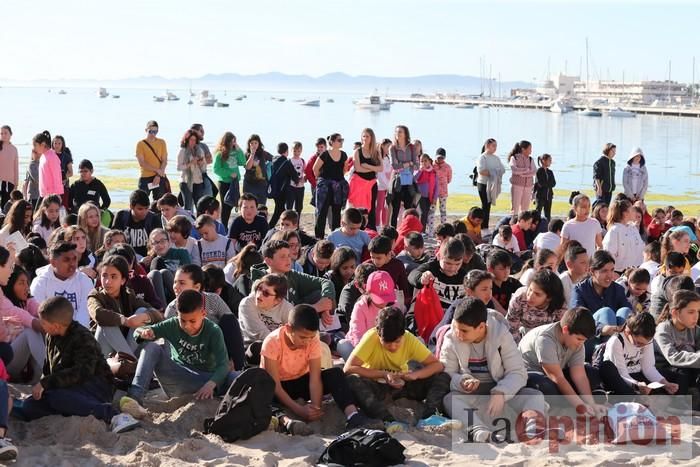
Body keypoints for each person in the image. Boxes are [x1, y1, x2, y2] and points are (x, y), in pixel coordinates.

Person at [13, 296, 142, 433]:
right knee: (29, 406)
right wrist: (44, 386)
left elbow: (82, 372)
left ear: (56, 325)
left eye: (43, 323)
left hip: (95, 386)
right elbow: (48, 368)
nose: (41, 325)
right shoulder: (51, 336)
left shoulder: (82, 337)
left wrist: (46, 383)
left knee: (57, 397)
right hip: (66, 387)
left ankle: (113, 415)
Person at [440, 297, 547, 443]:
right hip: (472, 396)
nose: (459, 334)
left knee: (535, 396)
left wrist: (500, 393)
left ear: (481, 327)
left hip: (501, 391)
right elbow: (446, 373)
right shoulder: (451, 337)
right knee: (449, 399)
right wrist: (461, 381)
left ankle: (532, 431)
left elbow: (518, 372)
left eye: (464, 331)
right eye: (457, 328)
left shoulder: (501, 334)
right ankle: (478, 431)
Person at [261, 304, 377, 430]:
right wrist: (300, 410)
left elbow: (315, 378)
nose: (307, 342)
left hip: (302, 380)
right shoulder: (272, 342)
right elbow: (276, 386)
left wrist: (315, 408)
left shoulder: (313, 339)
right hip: (278, 386)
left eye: (311, 337)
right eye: (302, 337)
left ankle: (352, 415)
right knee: (261, 392)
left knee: (336, 374)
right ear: (288, 329)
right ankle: (287, 421)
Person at [343, 306, 452, 431]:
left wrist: (415, 375)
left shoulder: (409, 338)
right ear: (378, 334)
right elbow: (348, 368)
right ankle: (387, 420)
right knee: (352, 380)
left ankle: (430, 416)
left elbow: (437, 365)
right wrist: (383, 374)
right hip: (377, 385)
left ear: (403, 334)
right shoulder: (371, 337)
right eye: (387, 343)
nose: (393, 347)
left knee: (443, 377)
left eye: (397, 341)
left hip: (403, 384)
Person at [126, 290, 238, 404]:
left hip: (205, 381)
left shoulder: (213, 331)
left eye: (192, 321)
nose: (187, 326)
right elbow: (139, 331)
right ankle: (135, 395)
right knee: (152, 348)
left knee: (236, 377)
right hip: (178, 378)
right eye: (183, 320)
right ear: (177, 315)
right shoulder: (172, 324)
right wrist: (143, 333)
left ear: (203, 314)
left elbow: (223, 365)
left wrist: (210, 384)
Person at [519, 307, 607, 416]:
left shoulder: (577, 342)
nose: (581, 343)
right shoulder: (545, 340)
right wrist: (580, 405)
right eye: (579, 339)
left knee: (591, 373)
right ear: (565, 330)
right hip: (532, 377)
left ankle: (573, 402)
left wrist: (591, 403)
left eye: (584, 340)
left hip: (557, 373)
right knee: (546, 387)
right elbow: (556, 377)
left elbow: (579, 375)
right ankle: (568, 402)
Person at [164, 265, 244, 371]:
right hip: (192, 356)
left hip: (219, 351)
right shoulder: (172, 309)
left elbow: (231, 327)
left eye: (182, 283)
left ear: (197, 287)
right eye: (175, 282)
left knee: (229, 319)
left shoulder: (213, 299)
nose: (175, 286)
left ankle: (237, 368)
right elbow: (169, 347)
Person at [88, 255, 163, 357]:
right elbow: (98, 314)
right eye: (104, 275)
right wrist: (125, 321)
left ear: (123, 280)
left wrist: (145, 316)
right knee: (107, 322)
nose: (107, 281)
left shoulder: (128, 295)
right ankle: (132, 362)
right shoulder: (95, 295)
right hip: (103, 350)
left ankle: (128, 362)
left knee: (141, 311)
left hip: (125, 346)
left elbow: (157, 314)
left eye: (113, 276)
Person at [251, 240, 336, 320]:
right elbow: (278, 311)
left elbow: (326, 282)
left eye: (289, 255)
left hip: (296, 319)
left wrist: (325, 306)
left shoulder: (291, 274)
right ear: (269, 261)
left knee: (321, 294)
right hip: (273, 325)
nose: (288, 260)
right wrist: (316, 307)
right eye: (283, 257)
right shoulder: (260, 282)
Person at [598, 312, 678, 396]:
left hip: (638, 376)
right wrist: (637, 385)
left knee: (677, 376)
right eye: (638, 343)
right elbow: (622, 374)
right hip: (623, 379)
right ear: (628, 332)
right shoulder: (616, 342)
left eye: (645, 344)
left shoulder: (647, 341)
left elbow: (648, 368)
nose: (641, 346)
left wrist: (665, 384)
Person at [572, 250, 633, 358]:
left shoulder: (617, 289)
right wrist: (602, 328)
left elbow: (628, 312)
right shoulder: (580, 290)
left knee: (625, 311)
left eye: (612, 270)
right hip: (589, 339)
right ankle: (606, 358)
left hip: (616, 337)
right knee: (606, 312)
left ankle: (626, 356)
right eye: (604, 271)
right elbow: (578, 319)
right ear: (592, 271)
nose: (609, 275)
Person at [0, 255, 45, 383]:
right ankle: (46, 373)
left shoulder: (27, 300)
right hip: (5, 360)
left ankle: (39, 376)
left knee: (43, 328)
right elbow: (27, 319)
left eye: (27, 283)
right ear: (10, 284)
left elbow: (41, 310)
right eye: (21, 283)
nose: (27, 287)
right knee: (31, 330)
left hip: (20, 362)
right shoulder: (4, 303)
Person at [30, 242, 93, 327]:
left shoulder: (84, 280)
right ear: (53, 262)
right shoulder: (40, 282)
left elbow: (84, 313)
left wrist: (75, 333)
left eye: (74, 259)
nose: (72, 264)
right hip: (51, 332)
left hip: (79, 333)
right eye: (66, 260)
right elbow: (39, 313)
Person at [337, 271, 396, 361]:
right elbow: (358, 335)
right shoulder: (360, 307)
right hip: (363, 348)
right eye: (380, 298)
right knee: (343, 345)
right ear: (368, 292)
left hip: (386, 347)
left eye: (386, 297)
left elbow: (398, 332)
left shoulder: (394, 306)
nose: (384, 302)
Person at [238, 273, 294, 364]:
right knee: (258, 347)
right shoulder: (247, 304)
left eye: (266, 293)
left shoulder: (286, 308)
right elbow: (259, 334)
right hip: (252, 349)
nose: (259, 295)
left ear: (278, 300)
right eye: (259, 289)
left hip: (279, 348)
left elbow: (295, 331)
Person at [653, 290, 700, 396]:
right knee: (682, 372)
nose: (696, 316)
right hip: (667, 371)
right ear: (675, 312)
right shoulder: (664, 329)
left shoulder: (695, 329)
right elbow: (673, 358)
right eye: (691, 312)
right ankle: (679, 404)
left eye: (698, 311)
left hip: (688, 369)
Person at [506, 269, 567, 343]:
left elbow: (560, 330)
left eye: (537, 294)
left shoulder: (559, 305)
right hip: (521, 333)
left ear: (549, 298)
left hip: (546, 337)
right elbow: (512, 328)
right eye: (530, 289)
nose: (530, 296)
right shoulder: (519, 298)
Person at [408, 238, 467, 313]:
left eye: (457, 264)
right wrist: (422, 278)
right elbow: (412, 275)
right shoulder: (431, 267)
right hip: (424, 316)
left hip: (449, 319)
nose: (452, 268)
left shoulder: (464, 276)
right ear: (439, 256)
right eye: (448, 263)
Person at [313, 133, 349, 238]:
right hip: (325, 188)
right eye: (339, 140)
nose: (341, 141)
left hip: (337, 187)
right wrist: (322, 181)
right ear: (332, 142)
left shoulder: (343, 155)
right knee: (322, 212)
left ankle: (335, 235)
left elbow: (345, 169)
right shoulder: (324, 154)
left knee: (336, 213)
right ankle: (319, 237)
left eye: (342, 140)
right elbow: (315, 169)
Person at [347, 129, 381, 231]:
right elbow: (358, 168)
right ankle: (352, 227)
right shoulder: (357, 151)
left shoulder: (376, 152)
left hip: (371, 183)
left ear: (372, 138)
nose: (365, 138)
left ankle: (371, 230)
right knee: (355, 208)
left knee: (371, 208)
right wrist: (372, 168)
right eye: (363, 136)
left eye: (367, 136)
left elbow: (381, 168)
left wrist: (367, 166)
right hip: (358, 182)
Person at [365, 235, 410, 310]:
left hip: (391, 304)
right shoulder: (367, 266)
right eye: (372, 257)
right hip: (371, 305)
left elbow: (404, 288)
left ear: (388, 254)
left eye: (378, 258)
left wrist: (405, 306)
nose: (375, 261)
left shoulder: (397, 265)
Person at [112, 190, 159, 257]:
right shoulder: (121, 216)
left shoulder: (153, 218)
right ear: (131, 206)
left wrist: (150, 257)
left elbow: (158, 243)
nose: (144, 212)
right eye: (140, 209)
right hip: (125, 256)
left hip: (148, 258)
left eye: (146, 208)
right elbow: (114, 242)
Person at [212, 131, 245, 227]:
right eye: (231, 141)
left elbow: (243, 162)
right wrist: (229, 173)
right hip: (224, 182)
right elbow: (216, 169)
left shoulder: (235, 152)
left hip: (234, 183)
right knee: (226, 205)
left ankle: (228, 225)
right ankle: (224, 226)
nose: (233, 143)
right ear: (226, 142)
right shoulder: (219, 153)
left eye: (234, 141)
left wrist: (239, 150)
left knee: (235, 203)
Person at [389, 126, 419, 227]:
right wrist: (407, 164)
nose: (398, 134)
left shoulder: (412, 147)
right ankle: (392, 231)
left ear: (406, 134)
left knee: (409, 209)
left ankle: (408, 230)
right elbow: (394, 165)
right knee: (395, 209)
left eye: (400, 132)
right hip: (398, 181)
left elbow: (416, 166)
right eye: (396, 132)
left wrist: (401, 164)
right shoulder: (392, 148)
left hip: (409, 181)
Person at [602, 199, 644, 272]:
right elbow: (608, 254)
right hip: (620, 272)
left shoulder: (633, 228)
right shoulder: (614, 231)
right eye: (632, 210)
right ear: (625, 213)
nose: (635, 212)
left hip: (636, 271)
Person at [268, 143, 301, 229]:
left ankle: (278, 227)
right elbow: (295, 177)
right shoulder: (286, 162)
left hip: (273, 189)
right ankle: (270, 227)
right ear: (286, 151)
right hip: (282, 190)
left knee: (280, 209)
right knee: (279, 210)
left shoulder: (273, 160)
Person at [560, 193, 603, 259]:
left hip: (590, 264)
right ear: (575, 208)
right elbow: (563, 248)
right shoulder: (568, 225)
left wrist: (596, 260)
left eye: (589, 206)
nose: (587, 209)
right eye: (583, 207)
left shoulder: (595, 223)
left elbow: (599, 245)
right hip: (575, 263)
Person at [476, 138, 505, 230]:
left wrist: (496, 173)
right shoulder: (482, 157)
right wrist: (493, 172)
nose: (495, 148)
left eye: (496, 146)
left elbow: (502, 169)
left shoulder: (496, 158)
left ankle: (485, 226)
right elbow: (481, 171)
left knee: (488, 205)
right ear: (487, 146)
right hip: (483, 184)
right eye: (493, 146)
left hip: (493, 184)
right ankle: (482, 226)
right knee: (485, 204)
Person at [135, 120, 168, 201]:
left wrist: (158, 175)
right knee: (141, 201)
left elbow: (164, 160)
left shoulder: (162, 142)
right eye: (150, 131)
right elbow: (142, 163)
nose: (153, 134)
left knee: (159, 203)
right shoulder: (140, 144)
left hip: (159, 177)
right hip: (146, 177)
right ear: (146, 130)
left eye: (155, 132)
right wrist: (157, 170)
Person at [177, 129, 206, 212]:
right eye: (191, 139)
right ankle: (187, 223)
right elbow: (179, 167)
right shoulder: (182, 151)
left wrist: (200, 163)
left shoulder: (199, 150)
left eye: (195, 140)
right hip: (186, 181)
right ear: (186, 140)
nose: (193, 142)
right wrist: (190, 163)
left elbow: (204, 167)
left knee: (200, 205)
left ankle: (199, 223)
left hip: (198, 181)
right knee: (188, 206)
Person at [487, 250, 522, 316]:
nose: (506, 272)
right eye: (501, 269)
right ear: (490, 269)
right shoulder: (484, 285)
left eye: (508, 268)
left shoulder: (512, 282)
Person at [241, 134, 273, 207]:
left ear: (259, 144)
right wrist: (252, 154)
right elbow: (247, 167)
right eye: (252, 143)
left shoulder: (264, 154)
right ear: (249, 144)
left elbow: (274, 160)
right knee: (249, 205)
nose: (254, 145)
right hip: (249, 184)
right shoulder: (246, 154)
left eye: (256, 143)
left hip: (262, 184)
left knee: (261, 206)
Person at [508, 140, 536, 216]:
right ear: (523, 149)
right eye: (530, 148)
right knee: (515, 208)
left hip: (528, 186)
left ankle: (523, 225)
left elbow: (534, 171)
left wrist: (523, 174)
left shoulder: (531, 159)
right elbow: (514, 169)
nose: (531, 151)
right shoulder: (514, 158)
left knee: (525, 209)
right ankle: (513, 224)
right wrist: (526, 170)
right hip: (517, 186)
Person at [33, 130, 63, 199]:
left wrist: (57, 196)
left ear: (43, 144)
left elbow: (57, 177)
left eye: (35, 145)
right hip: (44, 195)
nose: (34, 148)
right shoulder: (43, 156)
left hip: (52, 196)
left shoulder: (52, 157)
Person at [415, 154, 438, 236]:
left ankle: (425, 231)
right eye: (422, 161)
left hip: (430, 196)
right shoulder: (419, 171)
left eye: (425, 161)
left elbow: (436, 186)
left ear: (429, 161)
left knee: (428, 213)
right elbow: (414, 179)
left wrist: (435, 198)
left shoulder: (433, 172)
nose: (424, 163)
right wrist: (420, 171)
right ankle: (421, 231)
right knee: (423, 213)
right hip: (420, 195)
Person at [376, 138, 393, 229]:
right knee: (379, 207)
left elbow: (389, 172)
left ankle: (384, 225)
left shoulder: (387, 158)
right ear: (382, 146)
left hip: (387, 186)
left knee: (385, 207)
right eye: (388, 146)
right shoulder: (379, 158)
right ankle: (378, 226)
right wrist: (386, 185)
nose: (389, 149)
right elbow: (380, 174)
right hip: (380, 186)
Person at [0, 125, 19, 209]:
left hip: (10, 183)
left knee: (8, 206)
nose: (3, 135)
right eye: (1, 133)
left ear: (10, 134)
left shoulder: (14, 149)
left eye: (5, 133)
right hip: (0, 181)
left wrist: (16, 183)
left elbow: (16, 167)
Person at [433, 148, 452, 225]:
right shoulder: (432, 165)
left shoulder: (447, 167)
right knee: (432, 209)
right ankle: (430, 227)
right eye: (438, 157)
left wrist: (443, 183)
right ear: (435, 157)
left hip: (443, 192)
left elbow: (449, 179)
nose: (440, 159)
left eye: (442, 158)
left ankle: (443, 225)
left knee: (443, 209)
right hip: (433, 192)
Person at [533, 153, 555, 221]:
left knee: (548, 214)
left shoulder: (550, 172)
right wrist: (548, 184)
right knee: (538, 212)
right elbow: (540, 183)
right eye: (549, 160)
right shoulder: (539, 171)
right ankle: (536, 226)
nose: (550, 162)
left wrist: (546, 184)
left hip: (549, 195)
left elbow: (553, 183)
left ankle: (547, 226)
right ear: (543, 161)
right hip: (540, 195)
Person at [287, 142, 306, 215]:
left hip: (300, 187)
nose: (296, 153)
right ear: (291, 150)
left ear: (301, 151)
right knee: (289, 206)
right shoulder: (289, 161)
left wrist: (304, 178)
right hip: (291, 186)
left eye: (298, 151)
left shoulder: (302, 161)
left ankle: (297, 224)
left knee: (299, 207)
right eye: (294, 151)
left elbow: (305, 172)